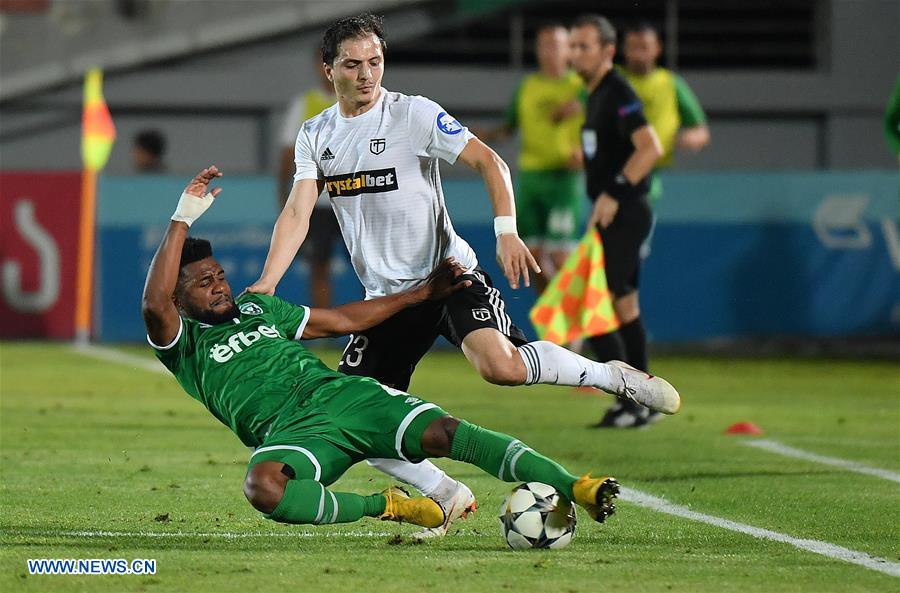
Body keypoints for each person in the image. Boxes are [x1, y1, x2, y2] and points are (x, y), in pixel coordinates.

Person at [246, 13, 679, 535]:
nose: (367, 75)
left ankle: (615, 376)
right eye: (354, 65)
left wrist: (505, 230)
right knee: (356, 419)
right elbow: (297, 210)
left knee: (500, 367)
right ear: (328, 69)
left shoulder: (414, 115)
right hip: (387, 300)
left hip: (448, 275)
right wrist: (268, 284)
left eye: (376, 62)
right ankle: (447, 494)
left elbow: (491, 162)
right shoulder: (317, 134)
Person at [141, 165, 621, 532]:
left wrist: (419, 295)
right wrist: (183, 215)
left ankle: (575, 485)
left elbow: (344, 320)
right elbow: (153, 302)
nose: (220, 287)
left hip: (344, 396)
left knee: (449, 434)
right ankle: (389, 504)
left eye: (219, 275)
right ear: (179, 300)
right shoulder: (181, 343)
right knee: (264, 488)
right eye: (204, 284)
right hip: (291, 431)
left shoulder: (258, 308)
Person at [569, 15, 665, 428]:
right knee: (623, 305)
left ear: (608, 51)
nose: (575, 54)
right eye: (573, 46)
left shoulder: (618, 91)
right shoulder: (594, 94)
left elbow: (650, 148)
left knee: (593, 307)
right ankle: (641, 401)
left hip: (626, 210)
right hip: (612, 211)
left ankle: (634, 398)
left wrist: (612, 193)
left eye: (584, 46)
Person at [480, 22, 586, 294]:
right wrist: (474, 136)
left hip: (564, 181)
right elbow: (507, 129)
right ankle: (558, 321)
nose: (549, 51)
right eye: (544, 45)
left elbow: (609, 127)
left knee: (562, 259)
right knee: (534, 260)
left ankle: (573, 328)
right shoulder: (527, 88)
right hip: (531, 180)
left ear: (569, 50)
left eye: (556, 45)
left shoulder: (583, 87)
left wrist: (589, 154)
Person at [621, 22, 710, 257]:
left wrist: (693, 138)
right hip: (611, 171)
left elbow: (701, 130)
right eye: (633, 47)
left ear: (657, 48)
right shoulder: (613, 81)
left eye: (644, 47)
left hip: (647, 178)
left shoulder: (670, 84)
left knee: (629, 252)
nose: (638, 53)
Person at [279, 49, 340, 309]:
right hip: (316, 203)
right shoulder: (303, 104)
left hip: (357, 197)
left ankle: (373, 331)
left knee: (370, 269)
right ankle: (325, 331)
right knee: (319, 267)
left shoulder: (361, 101)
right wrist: (286, 202)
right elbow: (286, 155)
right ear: (318, 65)